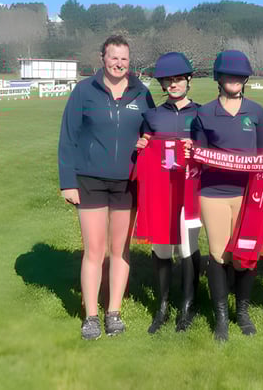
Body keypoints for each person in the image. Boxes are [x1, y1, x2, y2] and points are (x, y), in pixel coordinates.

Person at [58, 35, 155, 340]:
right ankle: (91, 316)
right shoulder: (84, 91)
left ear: (130, 60)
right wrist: (67, 182)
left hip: (127, 182)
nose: (119, 64)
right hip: (90, 180)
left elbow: (152, 130)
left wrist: (147, 142)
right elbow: (68, 138)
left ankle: (114, 312)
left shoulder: (142, 92)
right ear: (102, 58)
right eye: (113, 57)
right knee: (94, 250)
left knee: (120, 249)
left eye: (124, 58)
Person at [190, 50, 263, 341]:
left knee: (245, 254)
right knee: (219, 253)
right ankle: (221, 316)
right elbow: (199, 155)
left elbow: (262, 153)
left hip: (248, 194)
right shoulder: (205, 113)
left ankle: (243, 311)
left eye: (239, 75)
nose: (233, 80)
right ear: (218, 78)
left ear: (245, 79)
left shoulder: (256, 112)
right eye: (228, 75)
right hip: (213, 193)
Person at [137, 52, 201, 333]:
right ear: (162, 85)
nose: (173, 84)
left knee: (188, 246)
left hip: (191, 189)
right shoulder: (152, 116)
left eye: (178, 79)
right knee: (161, 246)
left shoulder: (203, 113)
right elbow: (144, 147)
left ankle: (188, 304)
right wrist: (142, 146)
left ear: (188, 80)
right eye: (167, 81)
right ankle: (162, 304)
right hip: (161, 190)